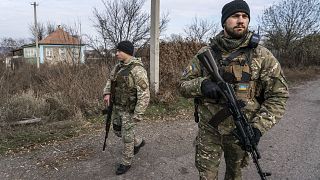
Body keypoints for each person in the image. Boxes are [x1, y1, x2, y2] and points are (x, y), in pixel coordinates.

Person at [179, 0, 289, 179]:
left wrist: (258, 128)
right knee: (206, 176)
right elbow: (182, 85)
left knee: (235, 175)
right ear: (224, 21)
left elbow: (278, 96)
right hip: (210, 128)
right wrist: (202, 85)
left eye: (245, 16)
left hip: (241, 130)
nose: (241, 20)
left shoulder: (262, 55)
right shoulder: (206, 53)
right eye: (235, 16)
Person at [103, 40, 150, 175]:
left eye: (119, 51)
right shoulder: (118, 67)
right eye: (116, 51)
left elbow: (145, 94)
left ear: (127, 52)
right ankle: (138, 142)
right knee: (118, 131)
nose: (116, 53)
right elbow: (110, 80)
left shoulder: (137, 70)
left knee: (127, 136)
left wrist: (138, 114)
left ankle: (126, 162)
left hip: (129, 109)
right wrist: (107, 93)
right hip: (118, 106)